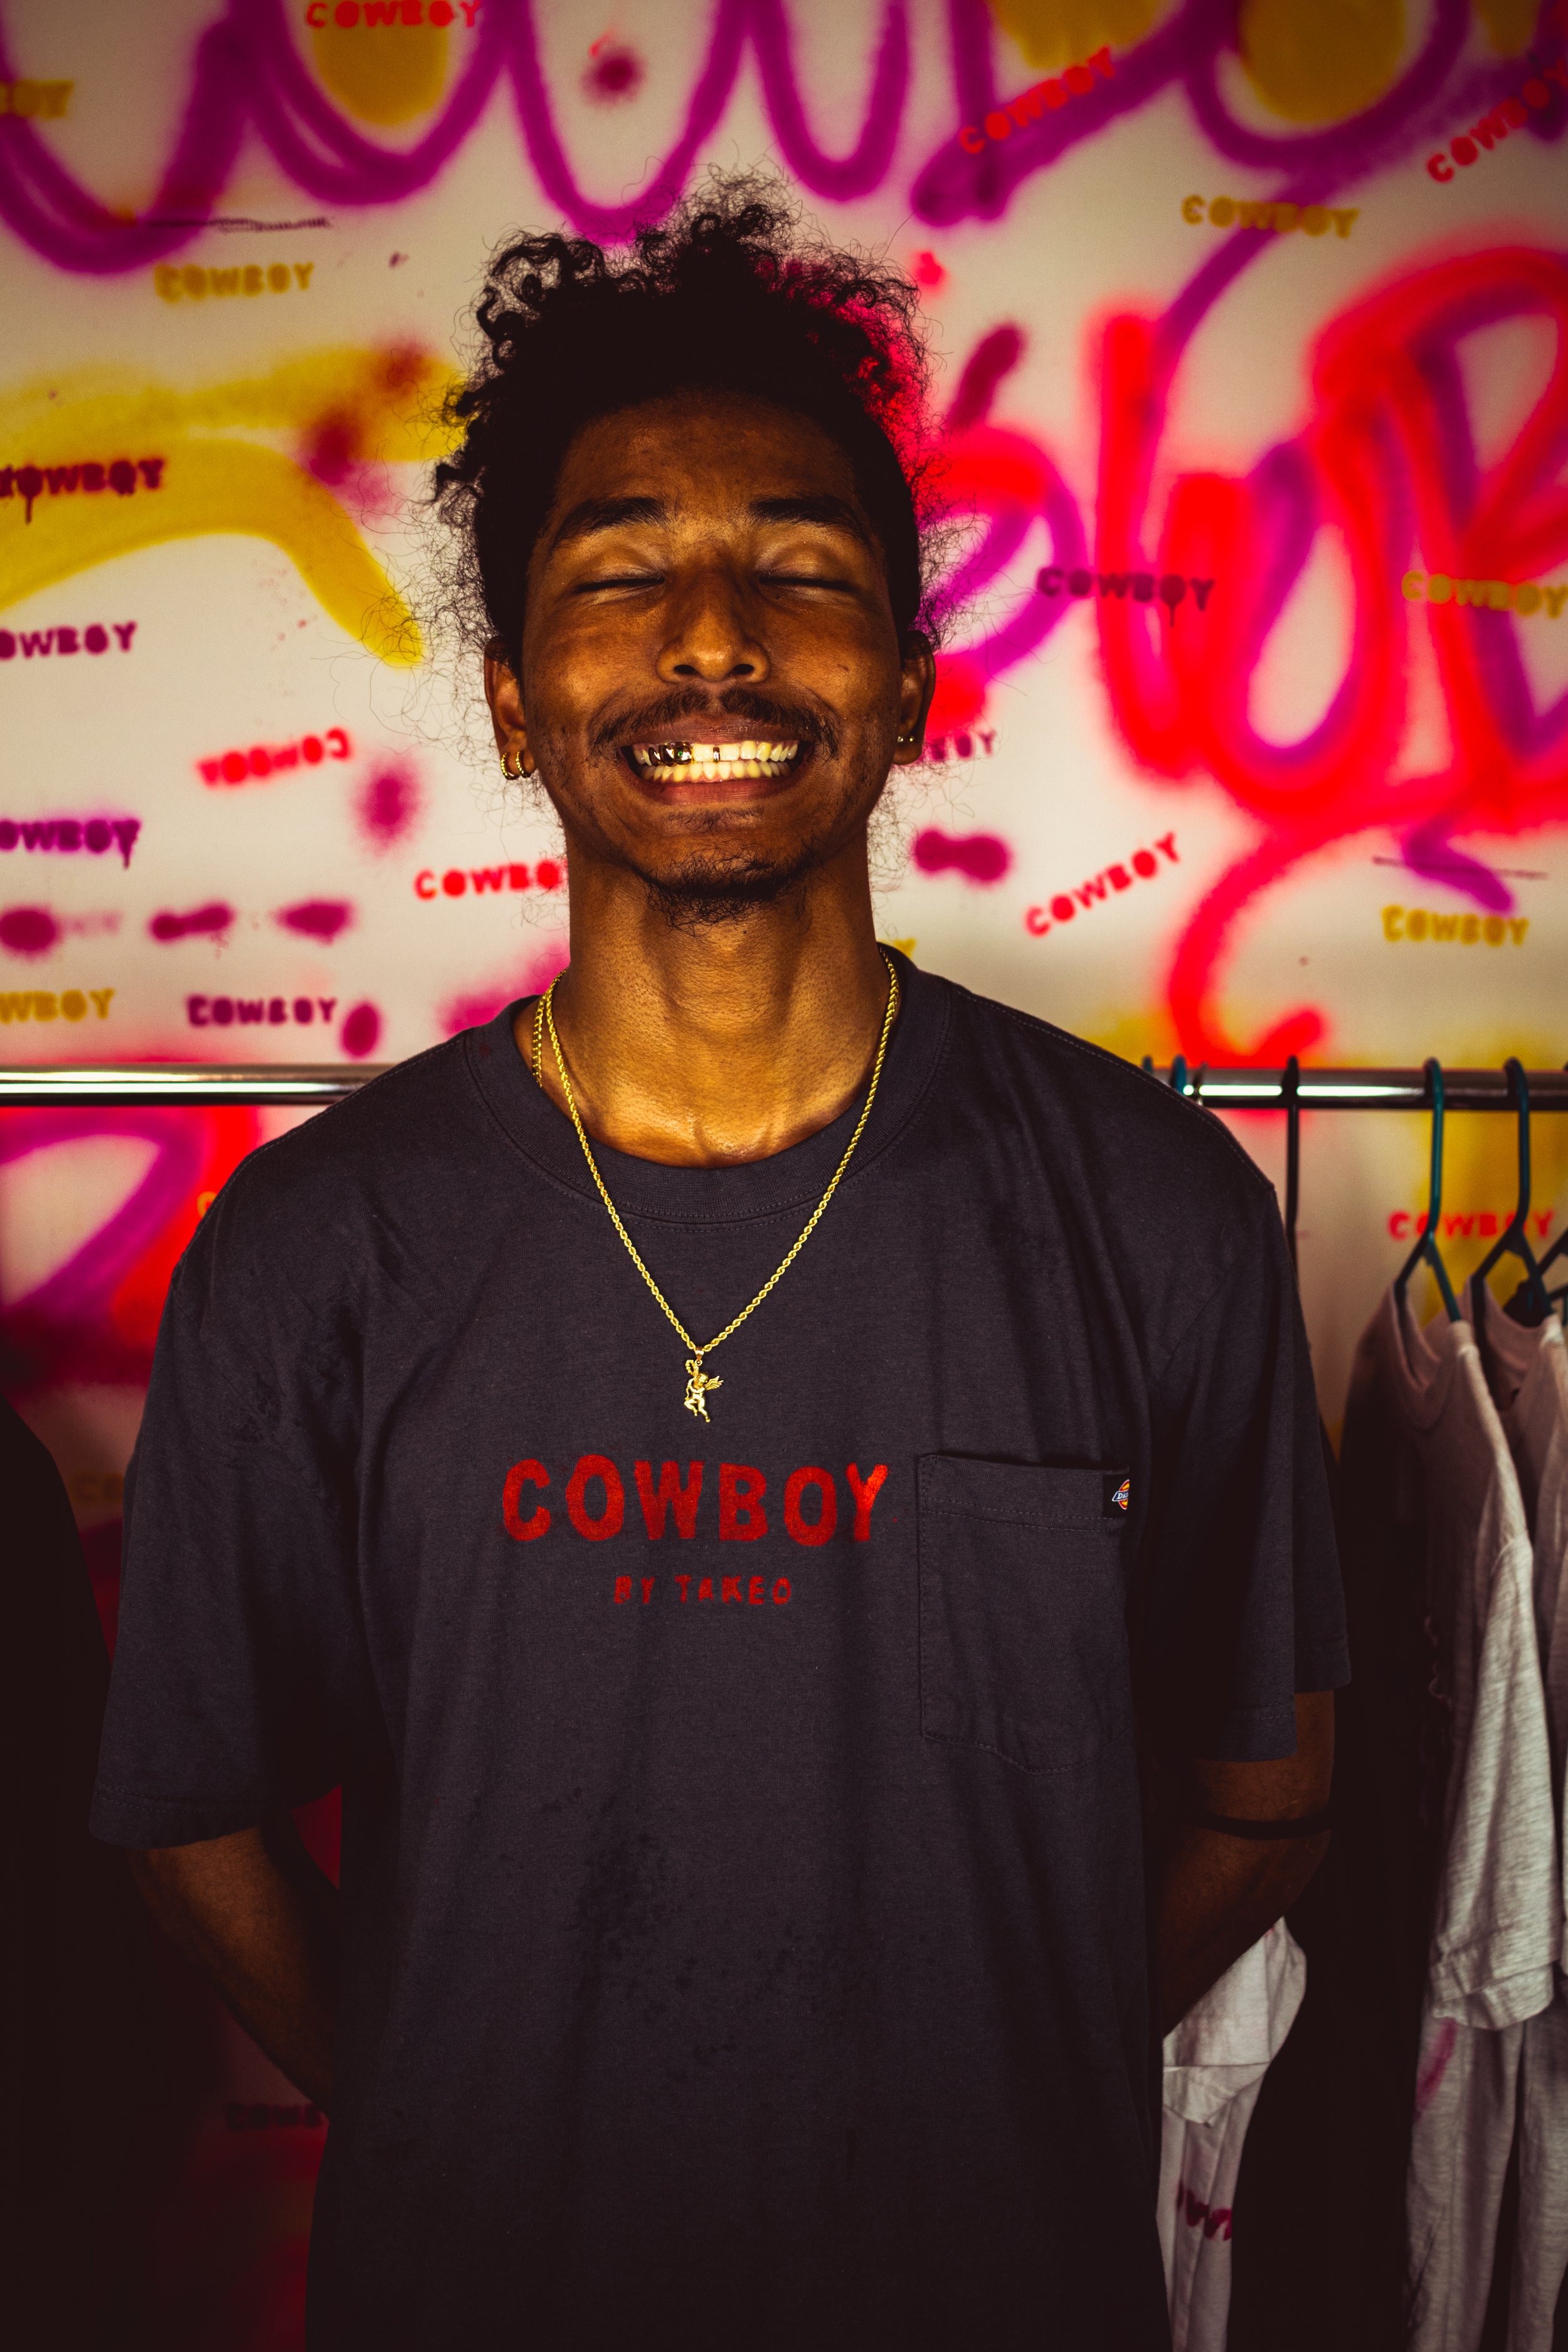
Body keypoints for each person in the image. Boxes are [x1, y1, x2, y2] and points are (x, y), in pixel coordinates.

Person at [92, 179, 1345, 2350]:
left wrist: (980, 2073)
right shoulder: (316, 1254)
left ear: (910, 684)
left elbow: (1270, 1805)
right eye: (619, 575)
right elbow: (188, 1816)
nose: (710, 636)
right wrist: (450, 2111)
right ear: (509, 701)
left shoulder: (1157, 1217)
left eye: (796, 569)